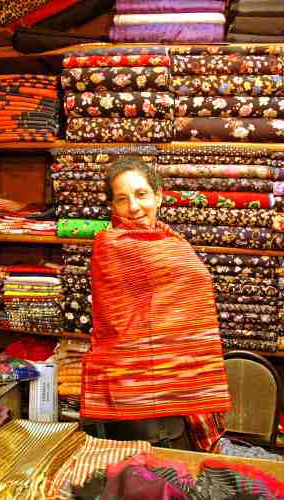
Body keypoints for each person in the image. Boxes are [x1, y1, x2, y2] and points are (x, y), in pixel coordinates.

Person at [80, 156, 231, 451]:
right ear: (113, 206)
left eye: (141, 194)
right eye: (122, 199)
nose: (133, 207)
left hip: (180, 378)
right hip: (134, 386)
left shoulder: (172, 240)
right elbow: (117, 321)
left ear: (158, 196)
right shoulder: (110, 245)